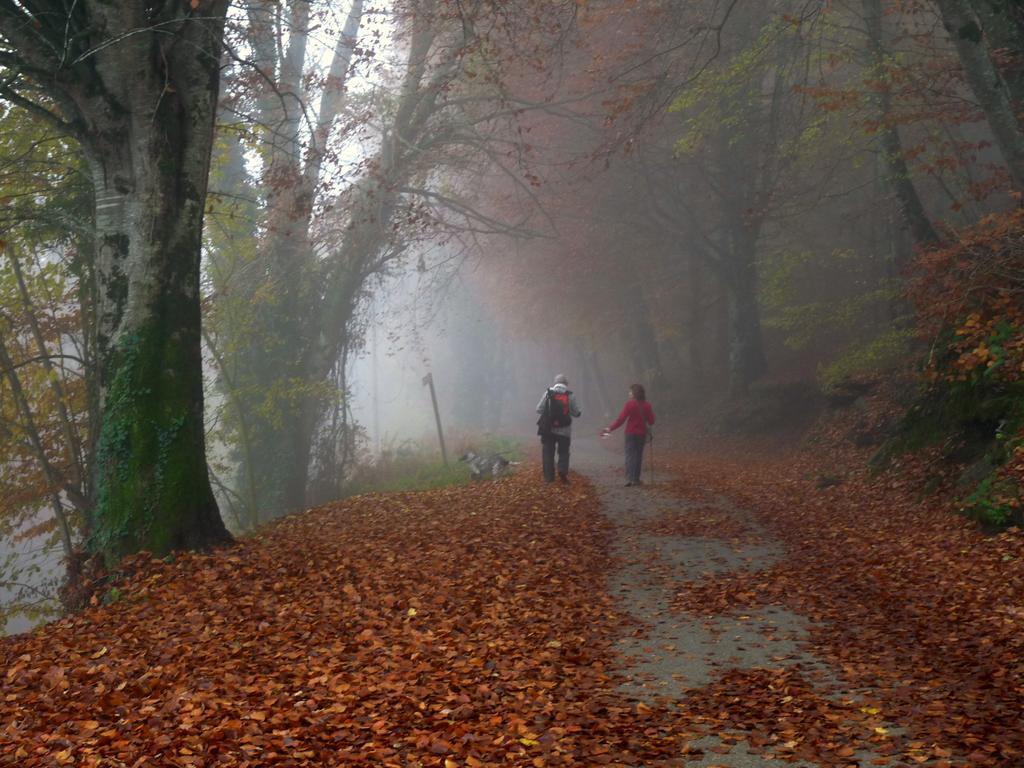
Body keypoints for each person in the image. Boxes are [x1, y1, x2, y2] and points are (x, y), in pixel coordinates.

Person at [602, 384, 655, 486]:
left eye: (630, 391)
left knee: (630, 455)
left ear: (635, 393)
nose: (629, 393)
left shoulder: (629, 405)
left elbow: (621, 420)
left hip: (630, 433)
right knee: (638, 456)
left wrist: (610, 428)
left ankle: (629, 477)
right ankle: (636, 479)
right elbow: (651, 421)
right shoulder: (647, 405)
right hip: (641, 434)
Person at [536, 374, 582, 483]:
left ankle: (548, 478)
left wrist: (549, 414)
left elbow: (538, 409)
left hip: (548, 429)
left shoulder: (548, 393)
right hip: (564, 430)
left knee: (548, 453)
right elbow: (576, 413)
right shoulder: (570, 395)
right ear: (566, 384)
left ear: (555, 382)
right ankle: (562, 470)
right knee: (564, 452)